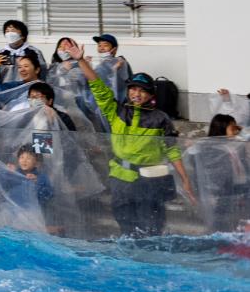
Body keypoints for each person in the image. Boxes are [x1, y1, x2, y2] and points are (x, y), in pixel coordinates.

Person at [72, 47, 195, 236]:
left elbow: (172, 150)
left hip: (150, 180)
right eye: (133, 89)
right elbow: (99, 87)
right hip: (121, 178)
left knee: (152, 225)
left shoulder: (160, 118)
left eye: (142, 90)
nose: (136, 93)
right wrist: (81, 61)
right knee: (125, 223)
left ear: (151, 95)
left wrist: (185, 179)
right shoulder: (117, 112)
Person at [0, 20, 44, 89]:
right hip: (6, 91)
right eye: (7, 31)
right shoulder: (1, 53)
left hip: (27, 90)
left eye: (13, 30)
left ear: (23, 36)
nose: (9, 33)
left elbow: (43, 73)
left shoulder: (34, 52)